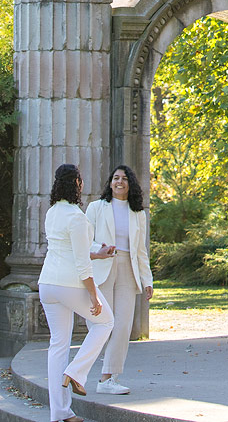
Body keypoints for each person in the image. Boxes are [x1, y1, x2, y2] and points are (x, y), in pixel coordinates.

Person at [38, 163, 114, 422]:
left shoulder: (52, 212)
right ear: (77, 184)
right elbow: (82, 264)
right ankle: (76, 373)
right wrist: (94, 296)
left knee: (58, 345)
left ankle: (60, 413)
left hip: (47, 284)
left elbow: (70, 249)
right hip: (70, 284)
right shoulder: (77, 217)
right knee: (105, 322)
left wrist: (98, 252)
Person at [85, 164, 154, 395]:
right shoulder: (96, 208)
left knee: (123, 325)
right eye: (116, 178)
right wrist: (100, 249)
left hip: (128, 269)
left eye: (124, 178)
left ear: (130, 184)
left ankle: (108, 379)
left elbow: (141, 250)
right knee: (102, 323)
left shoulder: (138, 213)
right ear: (110, 182)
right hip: (103, 265)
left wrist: (147, 280)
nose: (119, 182)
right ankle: (79, 371)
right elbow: (84, 240)